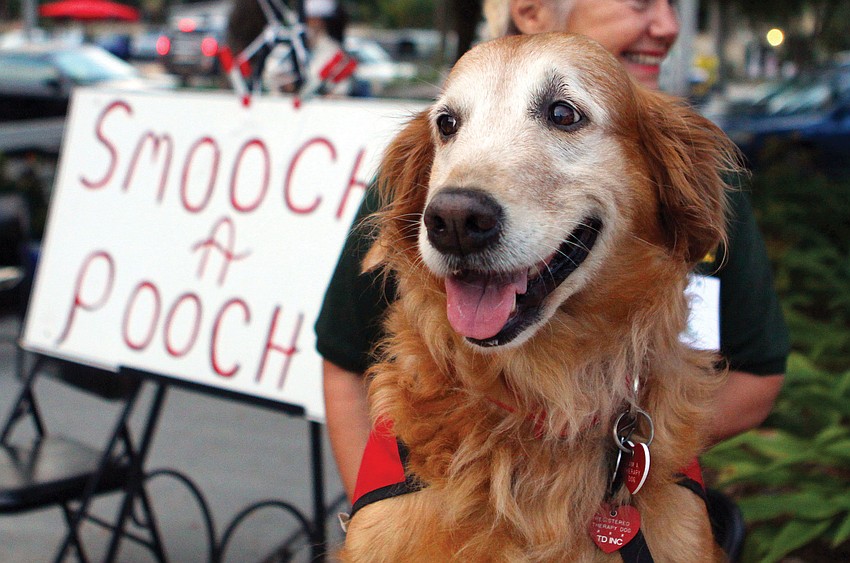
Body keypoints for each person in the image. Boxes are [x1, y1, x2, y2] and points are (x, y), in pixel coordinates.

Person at [316, 0, 790, 501]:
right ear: (531, 12)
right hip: (437, 480)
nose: (668, 26)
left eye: (563, 115)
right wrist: (372, 515)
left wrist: (609, 455)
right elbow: (344, 363)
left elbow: (757, 375)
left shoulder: (697, 173)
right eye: (639, 1)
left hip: (627, 499)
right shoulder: (430, 175)